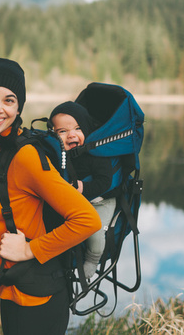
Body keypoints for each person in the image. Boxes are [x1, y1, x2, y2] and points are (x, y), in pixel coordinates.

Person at [0, 58, 101, 335]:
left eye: (9, 100)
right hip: (12, 288)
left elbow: (87, 220)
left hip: (38, 296)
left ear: (18, 108)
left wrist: (27, 250)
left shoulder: (25, 157)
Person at [49, 101, 117, 279]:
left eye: (78, 129)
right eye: (62, 131)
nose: (71, 135)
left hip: (100, 202)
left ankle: (93, 259)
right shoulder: (58, 155)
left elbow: (105, 182)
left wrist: (83, 187)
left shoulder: (95, 154)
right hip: (74, 203)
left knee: (94, 231)